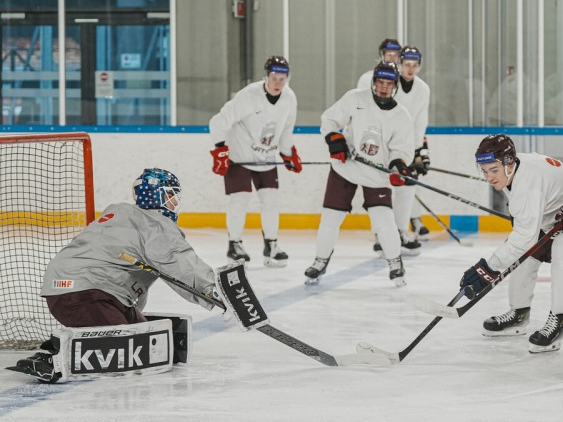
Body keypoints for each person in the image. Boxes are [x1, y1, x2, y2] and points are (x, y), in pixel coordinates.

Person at [9, 168, 218, 382]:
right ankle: (55, 360)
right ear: (160, 196)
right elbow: (181, 265)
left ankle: (68, 342)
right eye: (171, 196)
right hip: (86, 293)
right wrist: (214, 292)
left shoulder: (119, 212)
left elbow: (130, 282)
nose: (174, 202)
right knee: (126, 352)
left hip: (79, 290)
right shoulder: (157, 226)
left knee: (144, 338)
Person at [457, 134, 563, 354]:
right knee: (527, 256)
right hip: (559, 209)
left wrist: (487, 269)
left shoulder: (528, 183)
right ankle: (518, 314)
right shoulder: (516, 168)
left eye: (494, 170)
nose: (489, 177)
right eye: (485, 171)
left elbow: (523, 238)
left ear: (509, 164)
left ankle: (558, 323)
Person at [305, 60, 414, 287]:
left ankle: (395, 263)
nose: (384, 87)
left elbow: (402, 149)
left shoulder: (402, 116)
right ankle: (320, 260)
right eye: (380, 82)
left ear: (395, 85)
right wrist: (335, 140)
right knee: (330, 218)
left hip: (376, 175)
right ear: (374, 82)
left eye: (389, 83)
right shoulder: (355, 98)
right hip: (346, 167)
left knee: (384, 221)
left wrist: (398, 165)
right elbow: (329, 119)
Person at [209, 55, 301, 268]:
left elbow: (286, 129)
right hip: (239, 156)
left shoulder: (289, 98)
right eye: (274, 77)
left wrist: (288, 154)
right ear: (266, 76)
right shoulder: (248, 96)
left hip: (267, 156)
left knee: (271, 200)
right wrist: (221, 150)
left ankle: (271, 245)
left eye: (282, 78)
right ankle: (235, 245)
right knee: (239, 200)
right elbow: (218, 121)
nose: (278, 83)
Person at [373, 46, 431, 256]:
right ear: (400, 63)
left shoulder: (423, 89)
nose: (410, 69)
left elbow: (420, 122)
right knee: (381, 190)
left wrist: (419, 151)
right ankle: (381, 236)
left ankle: (399, 233)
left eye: (415, 65)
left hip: (406, 147)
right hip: (383, 146)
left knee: (407, 189)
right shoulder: (390, 84)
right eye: (407, 64)